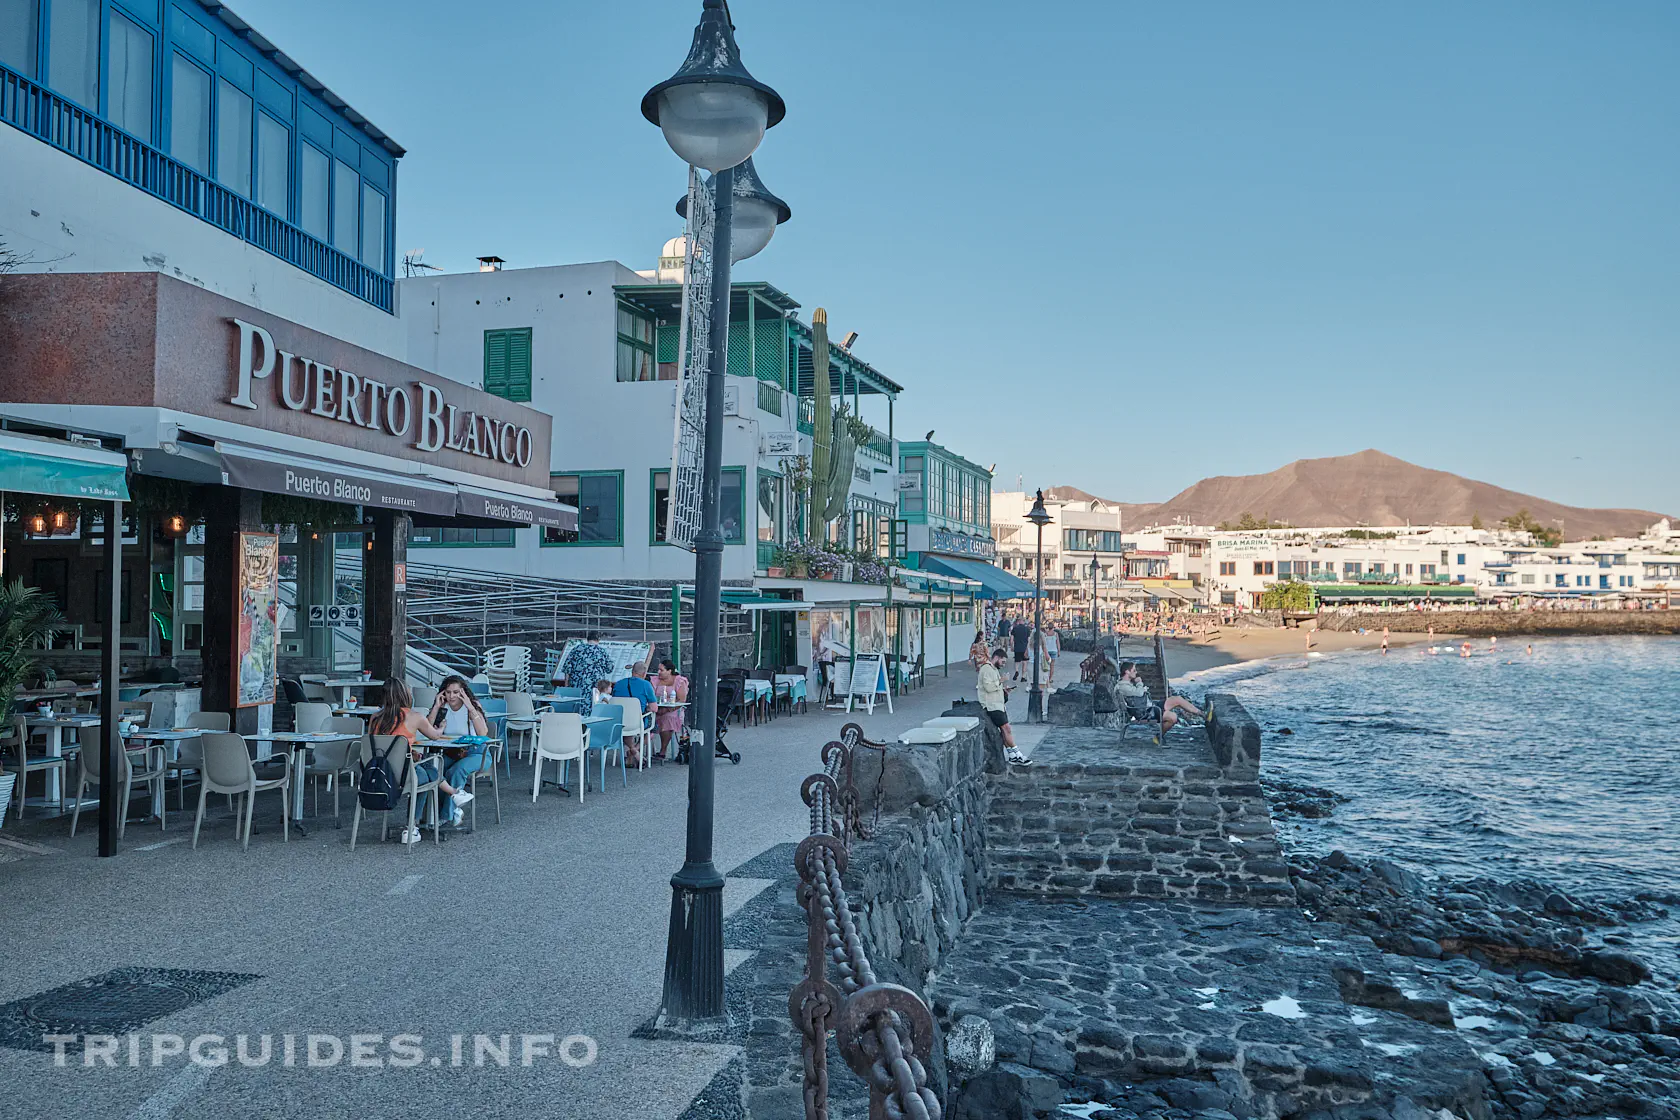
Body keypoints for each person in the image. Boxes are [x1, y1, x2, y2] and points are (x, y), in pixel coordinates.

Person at [368, 680, 473, 840]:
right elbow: (434, 736)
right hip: (404, 775)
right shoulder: (413, 716)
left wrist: (410, 752)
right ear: (404, 695)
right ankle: (412, 827)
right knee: (424, 776)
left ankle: (453, 795)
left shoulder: (375, 718)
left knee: (424, 770)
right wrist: (442, 727)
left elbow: (380, 745)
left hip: (379, 774)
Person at [425, 675, 492, 810]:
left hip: (477, 753)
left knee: (456, 771)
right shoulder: (443, 707)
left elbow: (483, 733)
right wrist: (436, 707)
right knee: (433, 769)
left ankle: (448, 815)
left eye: (456, 692)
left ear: (463, 692)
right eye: (448, 692)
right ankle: (434, 813)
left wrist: (470, 707)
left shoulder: (472, 706)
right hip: (451, 752)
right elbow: (426, 729)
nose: (451, 696)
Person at [1116, 661, 1205, 739]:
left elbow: (1137, 694)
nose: (1136, 672)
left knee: (1177, 699)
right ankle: (1159, 737)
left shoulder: (1127, 684)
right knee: (1173, 717)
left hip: (1150, 707)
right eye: (1134, 670)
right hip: (1146, 713)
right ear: (1127, 672)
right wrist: (1139, 683)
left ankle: (1203, 714)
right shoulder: (1123, 686)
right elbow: (1139, 693)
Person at [978, 648, 1028, 765]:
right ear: (996, 658)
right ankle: (1018, 754)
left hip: (998, 705)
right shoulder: (986, 669)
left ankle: (1012, 755)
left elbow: (993, 686)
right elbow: (988, 687)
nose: (1003, 664)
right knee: (1007, 729)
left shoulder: (993, 669)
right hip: (992, 705)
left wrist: (1004, 689)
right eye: (1003, 662)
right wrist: (1001, 680)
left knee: (1004, 730)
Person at [613, 661, 658, 766]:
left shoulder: (618, 684)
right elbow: (654, 708)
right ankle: (635, 751)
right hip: (638, 722)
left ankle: (632, 752)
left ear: (632, 671)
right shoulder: (646, 685)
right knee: (653, 729)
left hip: (619, 722)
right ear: (644, 673)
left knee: (627, 728)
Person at [651, 659, 689, 761]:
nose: (658, 672)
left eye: (661, 670)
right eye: (658, 670)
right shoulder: (654, 680)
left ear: (669, 671)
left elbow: (681, 700)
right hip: (657, 708)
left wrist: (666, 710)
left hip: (674, 710)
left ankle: (663, 751)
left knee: (667, 719)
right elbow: (651, 696)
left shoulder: (679, 681)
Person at [1011, 616, 1031, 681]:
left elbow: (1011, 639)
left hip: (1017, 648)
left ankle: (1017, 671)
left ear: (1019, 621)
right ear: (1024, 621)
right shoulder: (1027, 629)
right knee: (1024, 662)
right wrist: (1028, 648)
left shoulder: (1015, 628)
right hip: (1024, 648)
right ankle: (1023, 677)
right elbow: (1029, 640)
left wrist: (1012, 646)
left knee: (1017, 661)